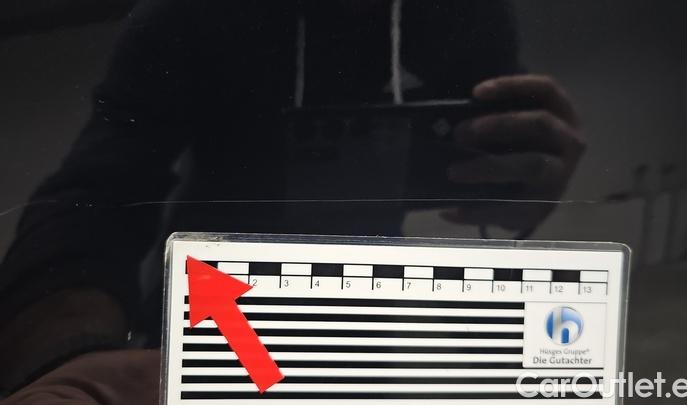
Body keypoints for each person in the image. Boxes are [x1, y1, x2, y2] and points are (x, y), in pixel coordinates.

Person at [0, 0, 584, 402]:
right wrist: (71, 359)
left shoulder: (462, 14)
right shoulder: (188, 15)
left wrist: (520, 184)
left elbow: (90, 192)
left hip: (346, 313)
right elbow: (94, 193)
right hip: (220, 310)